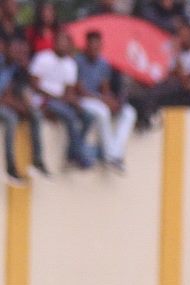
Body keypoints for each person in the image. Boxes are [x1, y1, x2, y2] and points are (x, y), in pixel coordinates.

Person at [29, 30, 96, 170]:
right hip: (43, 100)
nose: (62, 45)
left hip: (61, 102)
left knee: (88, 116)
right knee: (70, 116)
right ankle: (79, 154)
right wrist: (56, 97)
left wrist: (74, 103)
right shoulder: (43, 58)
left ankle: (72, 153)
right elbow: (34, 86)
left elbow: (68, 91)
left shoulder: (70, 64)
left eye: (66, 43)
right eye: (60, 41)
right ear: (54, 43)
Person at [76, 29, 137, 172]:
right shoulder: (78, 61)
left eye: (97, 45)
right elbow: (80, 90)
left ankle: (116, 152)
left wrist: (112, 101)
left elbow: (105, 88)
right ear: (86, 45)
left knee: (129, 112)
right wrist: (103, 100)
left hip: (98, 99)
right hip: (82, 100)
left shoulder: (103, 63)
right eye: (92, 45)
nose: (94, 48)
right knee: (102, 111)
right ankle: (112, 156)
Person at [133, 20, 190, 130]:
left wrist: (177, 57)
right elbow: (169, 74)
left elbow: (188, 83)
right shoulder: (176, 52)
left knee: (157, 95)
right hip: (170, 88)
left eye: (185, 35)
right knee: (142, 94)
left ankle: (146, 121)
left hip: (184, 96)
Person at [0, 36, 47, 182]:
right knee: (11, 118)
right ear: (5, 49)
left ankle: (37, 161)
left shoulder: (15, 68)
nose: (17, 53)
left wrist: (26, 68)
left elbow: (10, 92)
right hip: (4, 106)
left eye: (19, 51)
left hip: (5, 103)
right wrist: (15, 105)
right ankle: (11, 168)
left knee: (35, 114)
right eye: (14, 50)